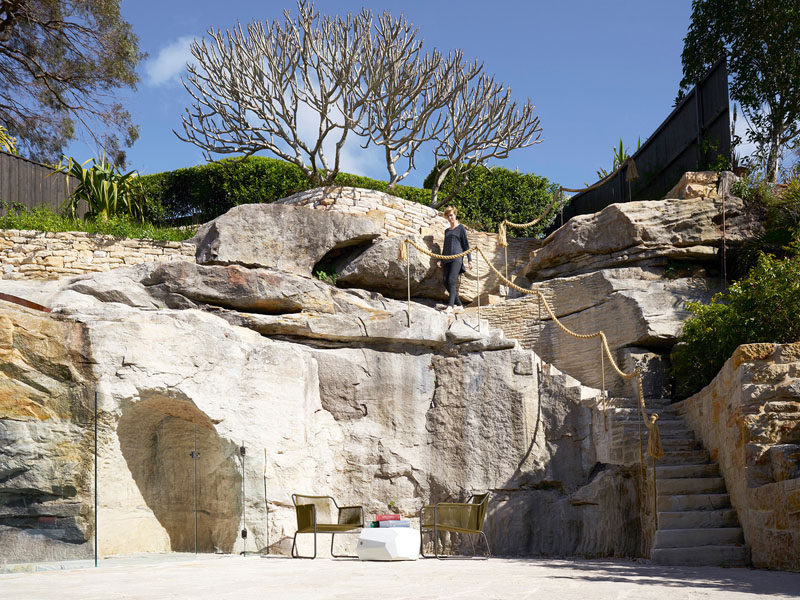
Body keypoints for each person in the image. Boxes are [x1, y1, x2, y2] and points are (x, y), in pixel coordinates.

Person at [436, 205, 473, 314]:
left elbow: (466, 245)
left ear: (455, 214)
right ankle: (460, 305)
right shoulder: (447, 231)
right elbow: (445, 246)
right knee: (446, 282)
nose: (450, 218)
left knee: (452, 281)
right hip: (447, 259)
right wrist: (441, 259)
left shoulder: (461, 228)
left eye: (451, 215)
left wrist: (469, 260)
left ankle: (450, 306)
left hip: (457, 258)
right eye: (448, 216)